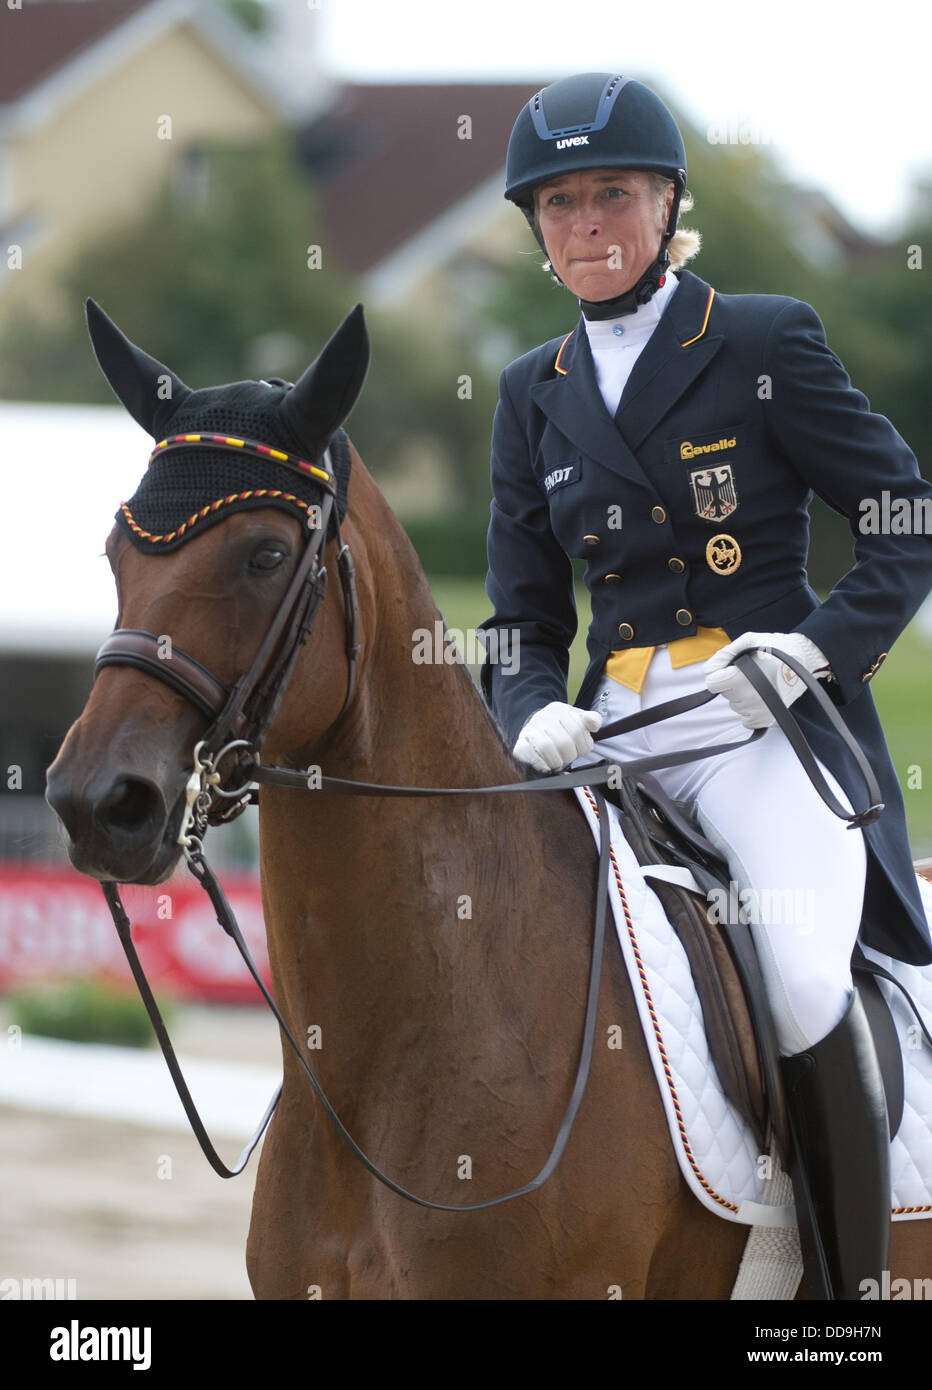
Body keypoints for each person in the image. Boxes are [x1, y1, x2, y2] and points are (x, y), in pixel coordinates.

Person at [477, 71, 932, 1300]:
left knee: (790, 971)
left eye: (611, 196)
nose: (586, 225)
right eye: (560, 204)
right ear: (536, 230)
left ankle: (841, 1303)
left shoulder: (760, 337)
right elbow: (516, 614)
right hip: (610, 733)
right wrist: (529, 713)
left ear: (665, 200)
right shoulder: (530, 394)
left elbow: (901, 518)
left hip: (760, 723)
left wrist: (812, 648)